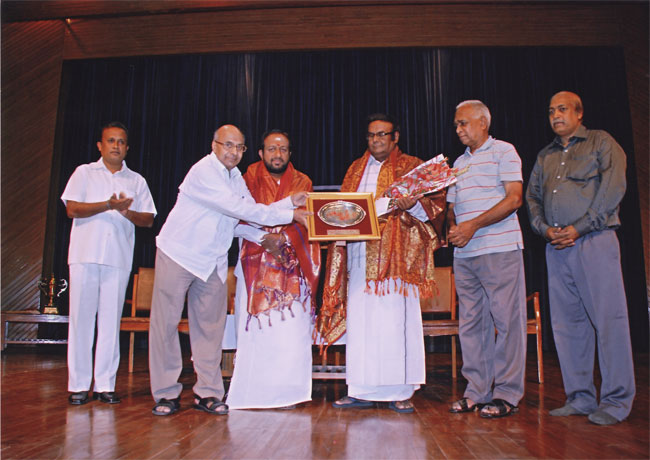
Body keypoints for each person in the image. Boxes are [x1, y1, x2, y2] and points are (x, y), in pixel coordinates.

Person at [148, 124, 310, 416]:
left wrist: (290, 201)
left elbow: (248, 215)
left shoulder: (235, 177)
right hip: (179, 253)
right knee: (166, 326)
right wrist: (291, 213)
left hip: (212, 260)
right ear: (214, 145)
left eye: (239, 147)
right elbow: (243, 211)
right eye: (228, 145)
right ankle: (166, 394)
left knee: (211, 330)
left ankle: (207, 394)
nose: (234, 152)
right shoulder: (203, 172)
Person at [323, 113, 446, 413]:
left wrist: (413, 203)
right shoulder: (355, 169)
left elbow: (436, 208)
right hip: (359, 257)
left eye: (382, 134)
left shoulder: (412, 167)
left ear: (395, 137)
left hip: (398, 261)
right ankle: (360, 389)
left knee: (395, 325)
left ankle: (401, 390)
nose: (376, 140)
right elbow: (343, 211)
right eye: (371, 135)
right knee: (362, 326)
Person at [526, 91, 635, 425]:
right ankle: (580, 398)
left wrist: (579, 227)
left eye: (562, 109)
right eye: (551, 111)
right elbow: (532, 198)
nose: (555, 115)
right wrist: (544, 229)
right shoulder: (545, 156)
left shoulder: (601, 143)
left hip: (594, 241)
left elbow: (613, 190)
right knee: (568, 326)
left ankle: (616, 402)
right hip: (556, 248)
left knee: (609, 322)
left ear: (578, 113)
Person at [62, 121, 157, 405]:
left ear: (127, 147)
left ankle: (105, 385)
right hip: (84, 255)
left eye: (121, 141)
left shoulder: (136, 181)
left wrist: (126, 212)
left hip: (117, 258)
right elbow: (71, 208)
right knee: (81, 320)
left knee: (109, 322)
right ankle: (78, 385)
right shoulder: (84, 173)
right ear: (100, 145)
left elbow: (149, 219)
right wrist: (107, 205)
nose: (116, 145)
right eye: (111, 141)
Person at [226, 129, 320, 409]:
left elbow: (309, 224)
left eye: (283, 150)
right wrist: (264, 239)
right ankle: (253, 394)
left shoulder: (303, 182)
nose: (277, 155)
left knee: (291, 333)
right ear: (260, 153)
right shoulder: (245, 181)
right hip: (253, 265)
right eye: (271, 149)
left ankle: (289, 394)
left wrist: (285, 240)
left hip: (293, 268)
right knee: (255, 332)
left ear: (290, 154)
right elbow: (234, 221)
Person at [446, 100, 526, 419]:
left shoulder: (504, 151)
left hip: (500, 248)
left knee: (507, 322)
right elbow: (452, 206)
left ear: (483, 122)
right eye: (456, 125)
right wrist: (453, 228)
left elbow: (514, 198)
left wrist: (472, 226)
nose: (458, 129)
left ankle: (507, 393)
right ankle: (476, 392)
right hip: (465, 253)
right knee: (472, 324)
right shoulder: (457, 163)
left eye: (463, 123)